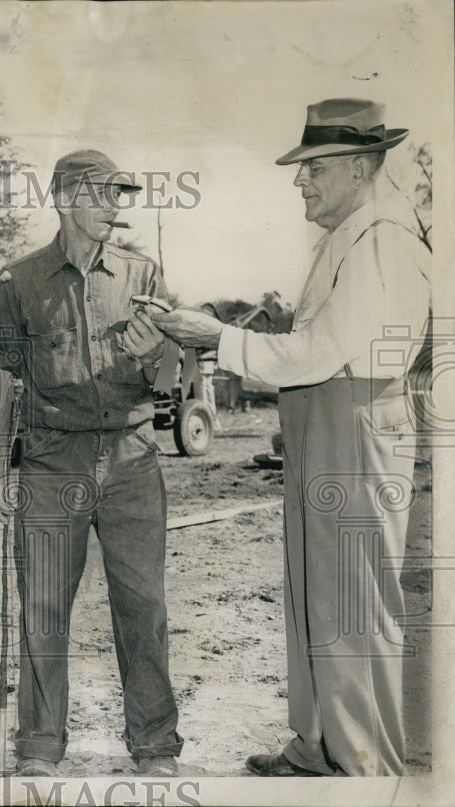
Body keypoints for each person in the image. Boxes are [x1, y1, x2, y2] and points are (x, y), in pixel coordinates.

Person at [151, 98, 431, 776]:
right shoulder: (351, 237)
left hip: (353, 430)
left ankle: (364, 767)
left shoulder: (383, 239)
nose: (300, 180)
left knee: (352, 602)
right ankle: (319, 744)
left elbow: (317, 352)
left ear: (360, 167)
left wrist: (217, 336)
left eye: (316, 167)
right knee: (315, 590)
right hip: (326, 423)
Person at [0, 149, 183, 777]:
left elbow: (172, 376)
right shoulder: (17, 282)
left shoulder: (143, 273)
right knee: (44, 608)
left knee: (144, 607)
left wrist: (155, 357)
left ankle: (155, 746)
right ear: (65, 199)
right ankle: (40, 747)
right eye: (103, 194)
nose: (115, 206)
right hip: (51, 462)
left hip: (133, 458)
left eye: (120, 195)